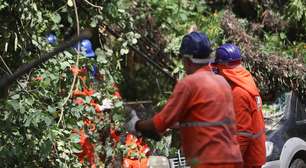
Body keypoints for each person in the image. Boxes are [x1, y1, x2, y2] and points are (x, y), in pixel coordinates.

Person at [126, 32, 242, 168]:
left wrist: (136, 124)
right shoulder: (222, 82)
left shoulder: (189, 84)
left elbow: (159, 124)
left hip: (209, 162)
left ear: (187, 59)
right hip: (232, 159)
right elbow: (208, 120)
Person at [215, 44, 266, 168]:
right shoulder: (247, 82)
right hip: (254, 154)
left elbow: (243, 134)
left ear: (223, 67)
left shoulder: (238, 93)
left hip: (246, 160)